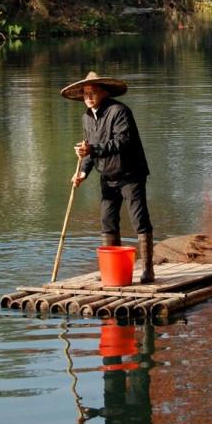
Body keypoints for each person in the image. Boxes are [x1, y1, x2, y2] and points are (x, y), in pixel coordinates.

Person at [61, 71, 154, 284]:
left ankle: (148, 270)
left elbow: (122, 142)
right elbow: (89, 149)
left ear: (104, 92)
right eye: (85, 93)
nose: (88, 96)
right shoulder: (87, 117)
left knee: (139, 220)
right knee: (107, 220)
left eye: (93, 92)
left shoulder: (119, 111)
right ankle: (113, 270)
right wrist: (82, 172)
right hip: (107, 176)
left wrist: (92, 149)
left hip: (131, 174)